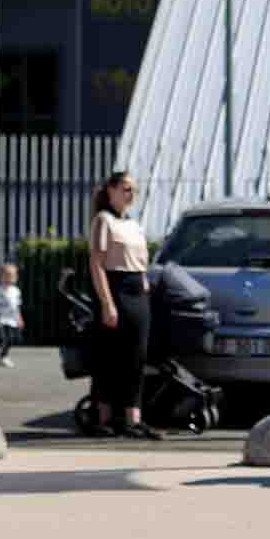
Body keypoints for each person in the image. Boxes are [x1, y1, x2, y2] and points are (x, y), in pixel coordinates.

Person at [86, 172, 160, 440]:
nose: (131, 194)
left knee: (136, 357)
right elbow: (96, 264)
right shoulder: (102, 221)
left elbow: (141, 261)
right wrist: (107, 303)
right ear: (111, 190)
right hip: (114, 288)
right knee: (109, 357)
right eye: (127, 188)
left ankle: (132, 418)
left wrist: (144, 284)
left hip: (137, 291)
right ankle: (103, 417)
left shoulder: (134, 224)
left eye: (134, 190)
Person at [0, 263, 24, 367]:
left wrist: (19, 318)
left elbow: (17, 307)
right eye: (7, 275)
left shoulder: (16, 291)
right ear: (1, 277)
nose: (9, 278)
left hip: (12, 320)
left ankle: (2, 357)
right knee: (3, 338)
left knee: (11, 339)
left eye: (12, 275)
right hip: (0, 319)